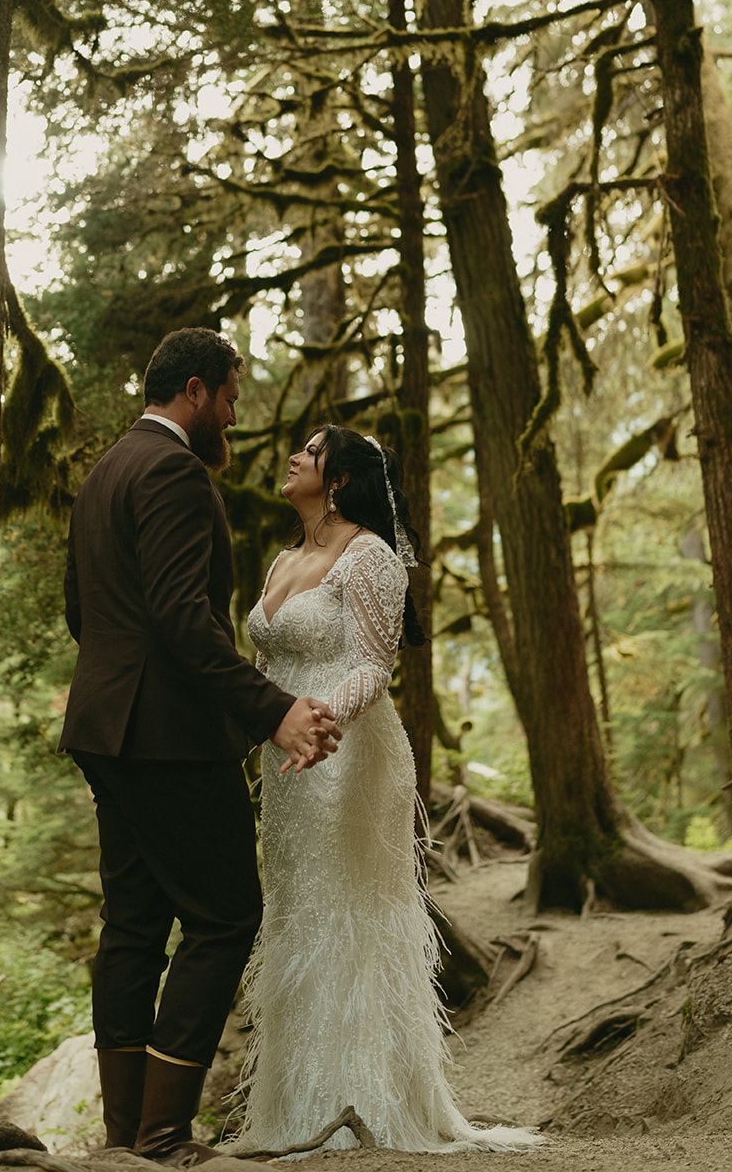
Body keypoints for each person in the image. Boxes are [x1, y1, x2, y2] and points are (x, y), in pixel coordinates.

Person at [60, 329, 342, 1165]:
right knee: (224, 918)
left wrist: (120, 684)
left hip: (106, 728)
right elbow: (186, 621)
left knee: (136, 924)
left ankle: (124, 1141)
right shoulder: (177, 473)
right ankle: (161, 1135)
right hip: (171, 739)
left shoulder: (105, 471)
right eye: (228, 396)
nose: (233, 413)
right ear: (194, 389)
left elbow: (85, 608)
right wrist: (273, 712)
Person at [229, 426, 543, 1154]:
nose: (291, 459)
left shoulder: (370, 555)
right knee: (297, 915)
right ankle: (293, 1110)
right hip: (286, 769)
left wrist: (320, 717)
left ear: (336, 479)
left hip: (346, 753)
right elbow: (259, 664)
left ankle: (367, 1102)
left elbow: (375, 666)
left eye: (307, 453)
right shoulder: (281, 559)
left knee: (347, 915)